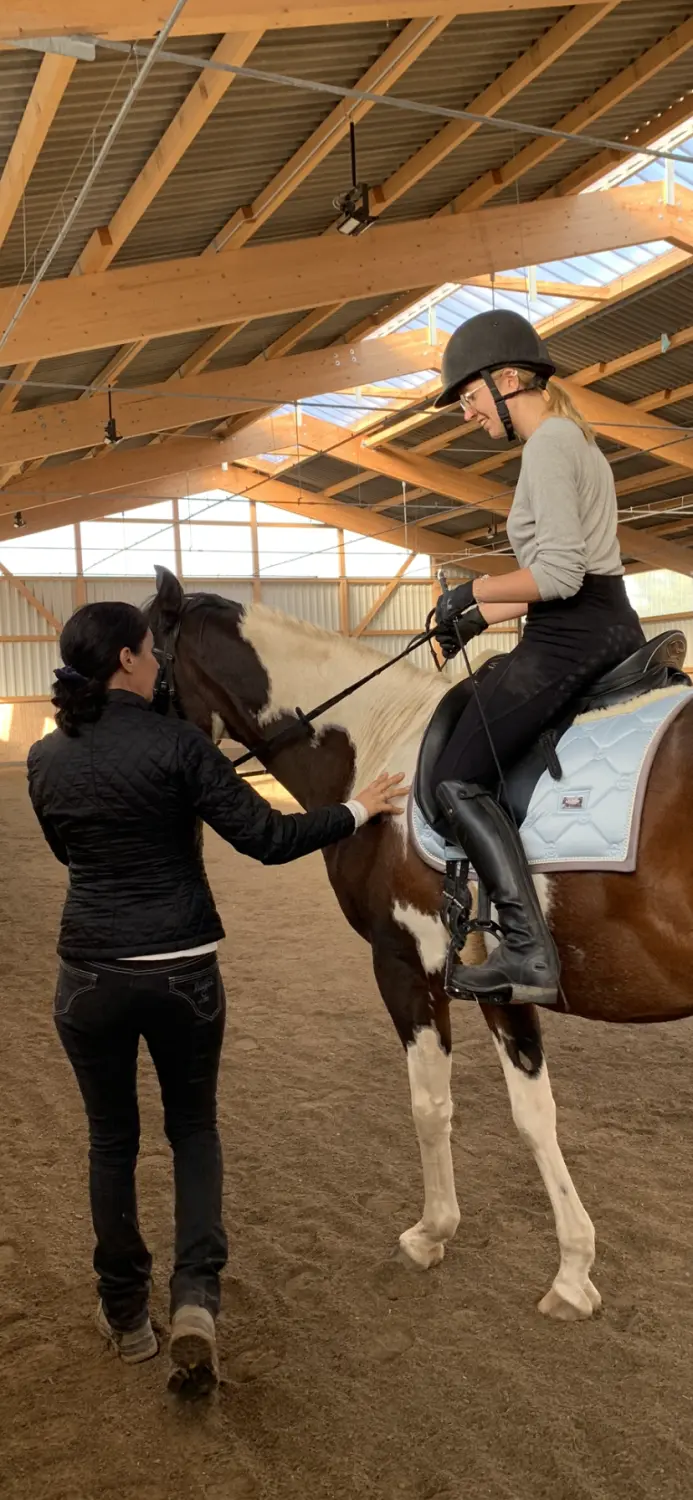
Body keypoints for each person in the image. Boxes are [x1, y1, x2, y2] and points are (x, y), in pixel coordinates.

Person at [27, 601, 408, 1394]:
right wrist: (356, 810)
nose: (162, 664)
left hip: (90, 973)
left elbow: (70, 850)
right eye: (151, 653)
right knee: (193, 1132)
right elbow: (269, 841)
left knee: (111, 1143)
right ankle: (196, 1300)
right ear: (129, 661)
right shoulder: (180, 746)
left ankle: (125, 1314)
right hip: (181, 971)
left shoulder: (43, 758)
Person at [430, 308, 645, 1009]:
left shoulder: (548, 446)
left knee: (457, 776)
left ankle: (524, 950)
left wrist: (470, 587)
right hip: (595, 621)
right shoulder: (568, 441)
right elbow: (562, 582)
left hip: (573, 635)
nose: (465, 415)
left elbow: (555, 578)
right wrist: (469, 617)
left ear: (509, 378)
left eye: (467, 398)